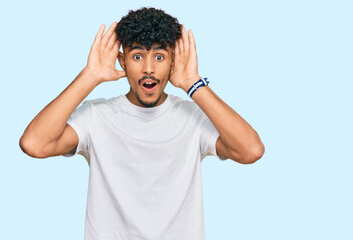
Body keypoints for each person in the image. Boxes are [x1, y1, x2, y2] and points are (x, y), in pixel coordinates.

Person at [20, 7, 264, 240]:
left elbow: (250, 150)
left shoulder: (194, 117)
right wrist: (90, 76)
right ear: (122, 61)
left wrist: (193, 82)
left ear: (173, 62)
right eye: (137, 56)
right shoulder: (96, 116)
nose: (148, 68)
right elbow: (34, 144)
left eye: (160, 56)